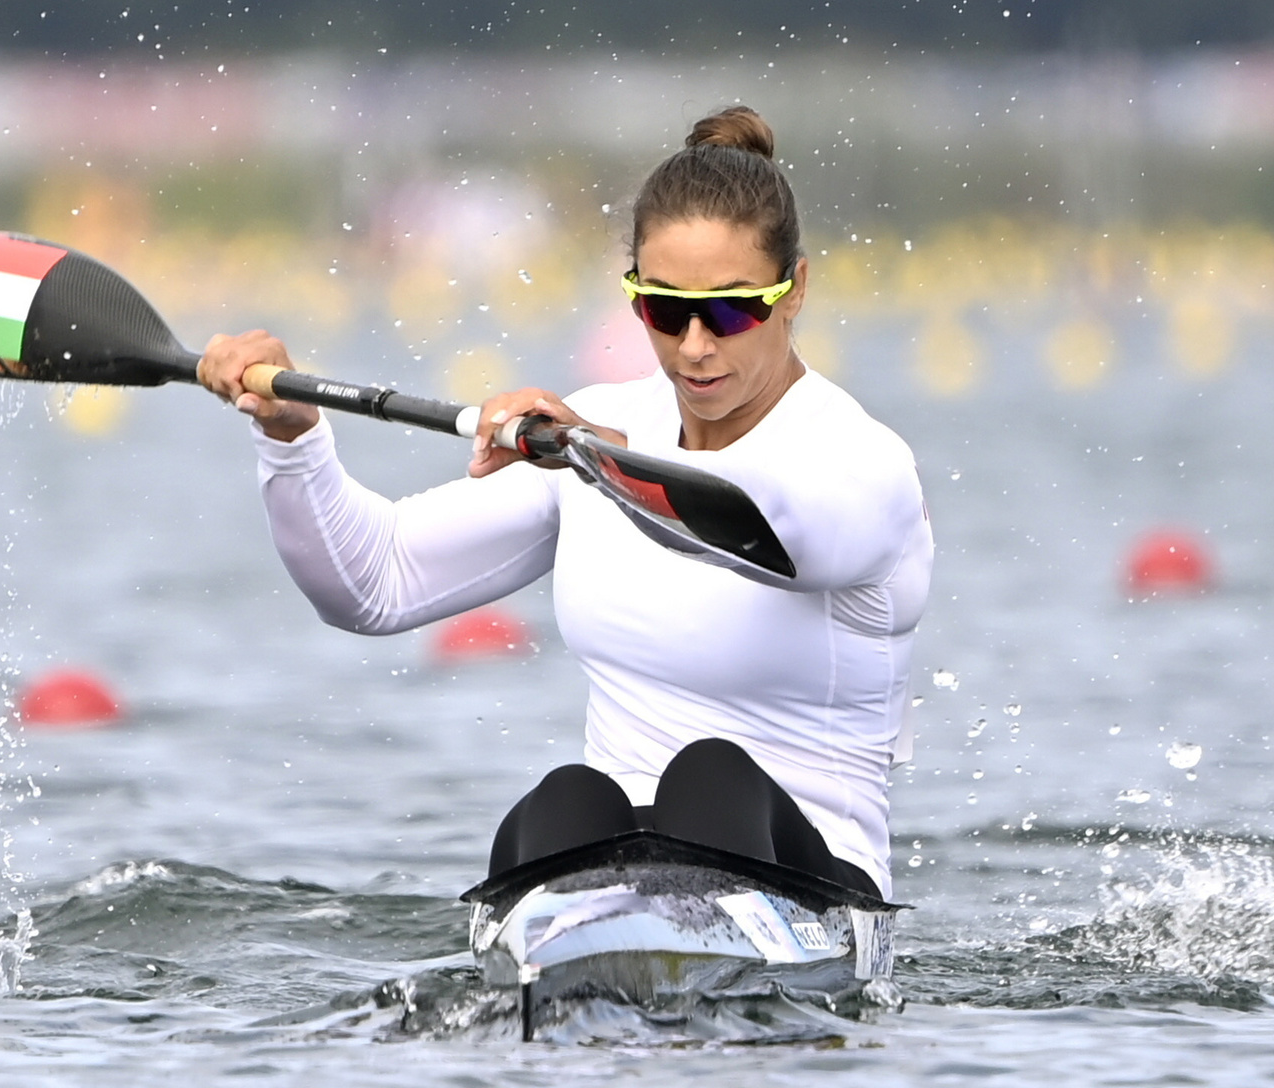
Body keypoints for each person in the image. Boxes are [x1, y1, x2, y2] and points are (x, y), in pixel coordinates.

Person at [197, 106, 933, 899]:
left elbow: (768, 530)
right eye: (663, 307)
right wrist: (291, 434)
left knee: (711, 777)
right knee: (562, 804)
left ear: (794, 292)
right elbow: (371, 585)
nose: (693, 344)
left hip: (816, 883)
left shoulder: (863, 462)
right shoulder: (591, 442)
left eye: (729, 308)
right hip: (624, 872)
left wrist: (597, 453)